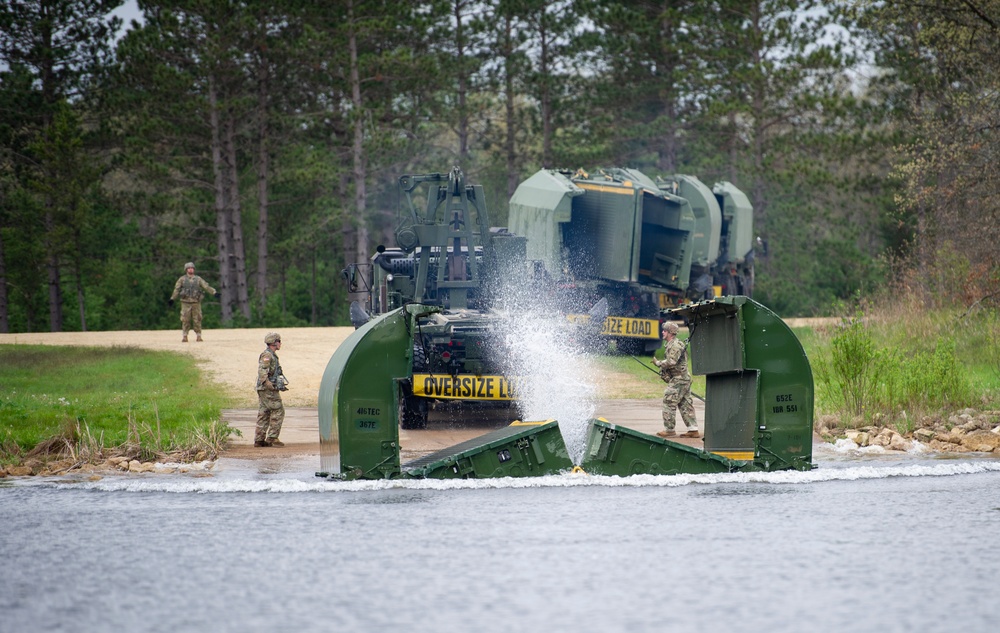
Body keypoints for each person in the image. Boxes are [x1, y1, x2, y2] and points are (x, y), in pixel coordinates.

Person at [652, 321, 699, 439]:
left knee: (669, 401)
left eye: (665, 331)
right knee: (685, 404)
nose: (662, 332)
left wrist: (658, 363)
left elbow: (671, 362)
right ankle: (693, 430)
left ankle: (669, 430)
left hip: (679, 379)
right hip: (682, 378)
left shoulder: (675, 345)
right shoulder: (671, 345)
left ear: (670, 333)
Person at [169, 262, 217, 342]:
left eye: (192, 268)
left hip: (196, 302)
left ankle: (198, 335)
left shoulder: (198, 279)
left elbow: (206, 286)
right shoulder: (182, 279)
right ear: (186, 270)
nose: (191, 269)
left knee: (197, 319)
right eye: (189, 268)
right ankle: (185, 335)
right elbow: (176, 289)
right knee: (185, 319)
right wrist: (172, 298)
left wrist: (214, 292)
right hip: (185, 302)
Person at [255, 332, 286, 447]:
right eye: (279, 341)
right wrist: (268, 383)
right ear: (274, 343)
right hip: (267, 389)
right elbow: (262, 370)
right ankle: (272, 438)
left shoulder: (271, 355)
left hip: (265, 388)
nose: (280, 343)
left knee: (264, 412)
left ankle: (259, 440)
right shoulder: (267, 355)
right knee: (278, 410)